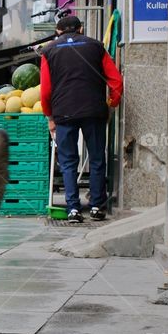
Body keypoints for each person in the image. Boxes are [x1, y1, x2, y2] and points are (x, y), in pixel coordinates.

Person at [41, 15, 124, 223]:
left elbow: (45, 90)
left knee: (68, 162)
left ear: (58, 31)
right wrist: (112, 103)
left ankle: (73, 210)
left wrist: (49, 116)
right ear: (81, 28)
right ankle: (97, 206)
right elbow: (116, 80)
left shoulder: (49, 51)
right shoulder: (96, 46)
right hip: (94, 111)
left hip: (63, 113)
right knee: (96, 159)